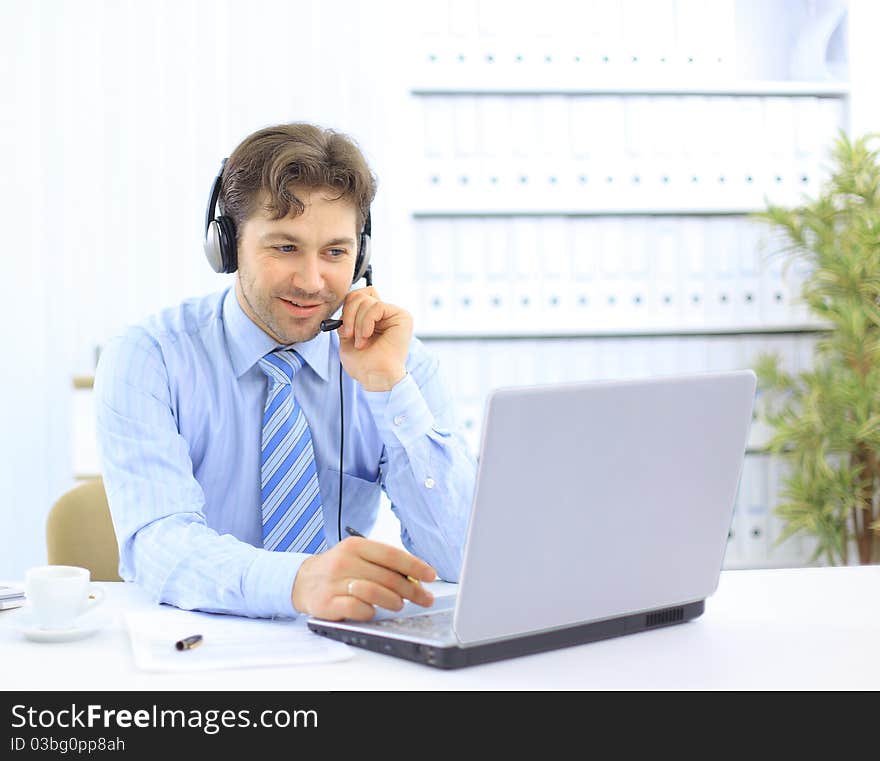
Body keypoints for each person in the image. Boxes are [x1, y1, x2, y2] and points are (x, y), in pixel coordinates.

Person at [94, 123, 477, 622]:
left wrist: (388, 388)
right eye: (285, 247)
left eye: (335, 252)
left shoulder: (401, 363)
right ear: (227, 246)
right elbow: (159, 543)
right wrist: (297, 582)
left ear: (361, 255)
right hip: (197, 645)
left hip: (347, 651)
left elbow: (459, 558)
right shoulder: (149, 358)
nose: (312, 281)